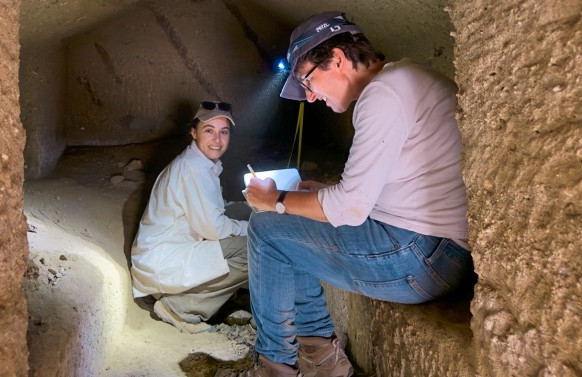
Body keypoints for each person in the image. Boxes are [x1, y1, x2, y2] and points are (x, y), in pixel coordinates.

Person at [216, 11, 474, 377]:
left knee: (266, 228)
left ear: (337, 59)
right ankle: (323, 363)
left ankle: (275, 368)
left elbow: (350, 209)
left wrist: (275, 200)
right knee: (294, 221)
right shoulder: (403, 78)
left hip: (421, 255)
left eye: (307, 80)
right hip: (436, 249)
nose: (308, 97)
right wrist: (318, 194)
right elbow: (391, 185)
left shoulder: (382, 95)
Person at [130, 101, 250, 334]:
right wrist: (251, 227)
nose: (217, 139)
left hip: (171, 251)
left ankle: (227, 289)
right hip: (164, 263)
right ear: (193, 133)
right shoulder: (193, 169)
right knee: (253, 247)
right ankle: (180, 307)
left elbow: (213, 208)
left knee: (245, 212)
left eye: (223, 132)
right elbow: (214, 229)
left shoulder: (199, 162)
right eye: (209, 131)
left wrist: (248, 209)